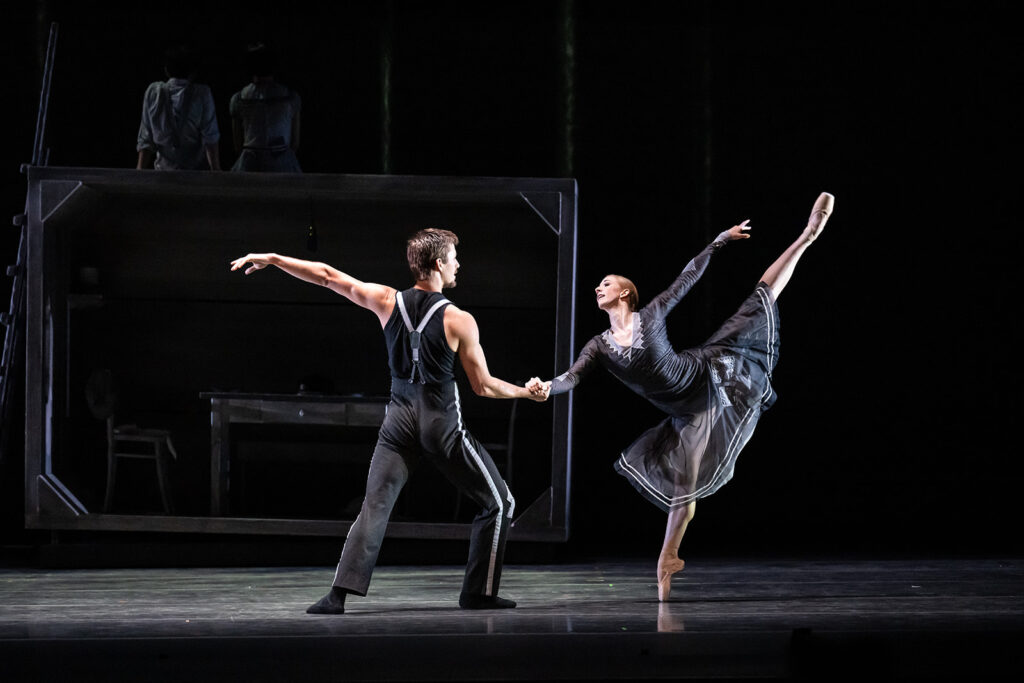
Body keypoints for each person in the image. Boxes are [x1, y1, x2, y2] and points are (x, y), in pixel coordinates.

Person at [528, 192, 835, 601]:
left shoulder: (651, 314)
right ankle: (667, 560)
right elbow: (572, 376)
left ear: (625, 294)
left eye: (606, 283)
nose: (597, 287)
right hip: (687, 415)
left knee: (757, 302)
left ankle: (806, 236)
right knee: (683, 491)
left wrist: (720, 241)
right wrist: (548, 386)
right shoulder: (599, 346)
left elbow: (688, 277)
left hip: (710, 376)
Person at [230, 229, 548, 613]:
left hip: (398, 419)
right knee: (501, 502)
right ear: (436, 265)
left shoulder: (385, 301)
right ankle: (478, 593)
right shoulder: (459, 320)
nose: (458, 264)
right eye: (453, 258)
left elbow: (328, 276)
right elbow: (483, 387)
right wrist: (525, 392)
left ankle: (337, 596)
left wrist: (274, 258)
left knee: (375, 505)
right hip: (439, 421)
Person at [136, 44, 221, 171]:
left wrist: (140, 170)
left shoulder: (154, 92)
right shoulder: (202, 94)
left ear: (166, 69)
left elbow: (146, 138)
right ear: (192, 72)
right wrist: (216, 171)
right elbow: (210, 138)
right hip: (194, 175)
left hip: (163, 174)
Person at [228, 42, 302, 173]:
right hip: (282, 164)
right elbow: (294, 143)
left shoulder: (238, 99)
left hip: (249, 164)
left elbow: (238, 145)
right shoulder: (291, 98)